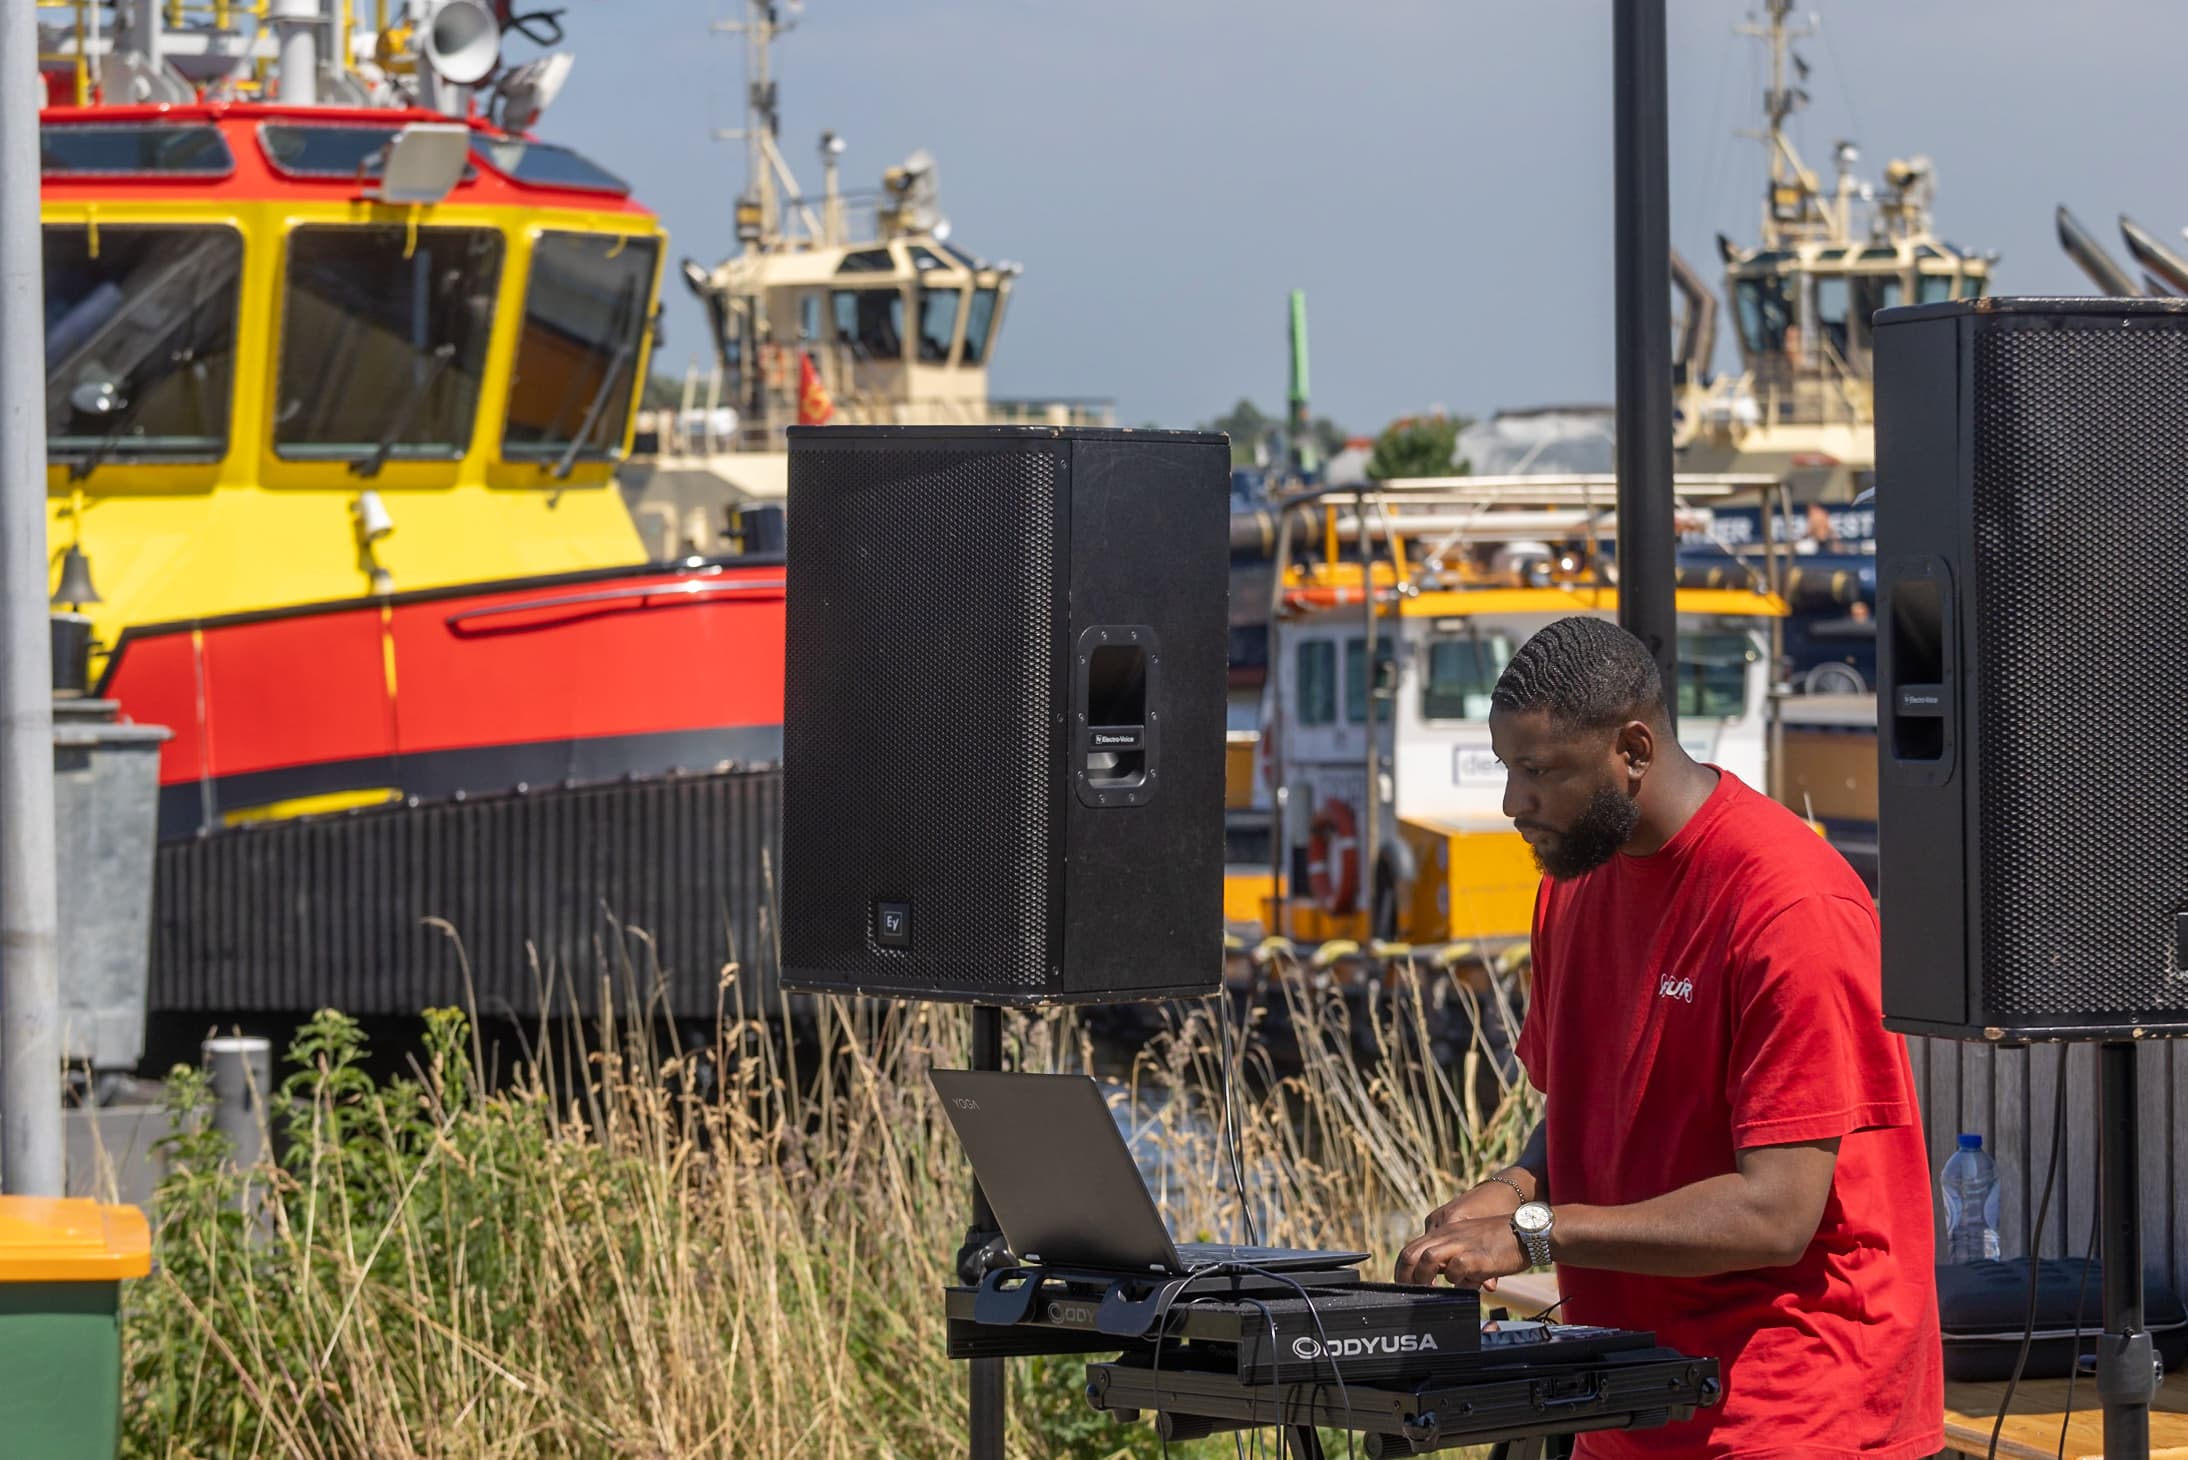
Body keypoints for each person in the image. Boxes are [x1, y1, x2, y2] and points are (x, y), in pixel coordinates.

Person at [1394, 616, 1941, 1458]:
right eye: (1509, 769)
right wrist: (1508, 1189)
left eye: (1539, 772)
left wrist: (1536, 1231)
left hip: (1794, 1414)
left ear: (1634, 749)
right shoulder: (1573, 884)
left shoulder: (1789, 907)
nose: (1512, 804)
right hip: (1629, 1400)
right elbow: (1586, 1106)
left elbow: (1776, 1213)